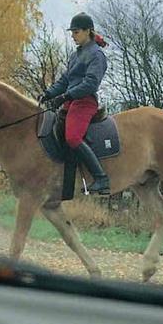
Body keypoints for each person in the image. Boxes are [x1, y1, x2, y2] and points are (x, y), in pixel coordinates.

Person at [39, 13, 111, 195]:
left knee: (72, 138)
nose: (73, 35)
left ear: (88, 31)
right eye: (72, 32)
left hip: (85, 102)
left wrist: (65, 96)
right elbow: (64, 80)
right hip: (71, 102)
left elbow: (90, 84)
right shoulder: (75, 55)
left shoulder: (96, 55)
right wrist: (48, 93)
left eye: (76, 32)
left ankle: (101, 178)